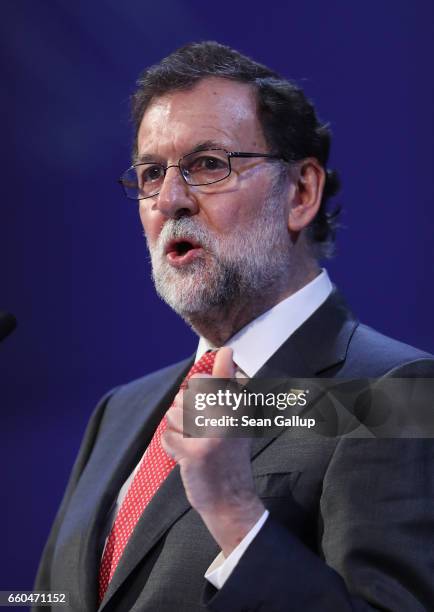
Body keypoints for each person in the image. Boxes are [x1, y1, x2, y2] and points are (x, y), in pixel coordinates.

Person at [34, 42, 434, 611]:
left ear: (300, 193)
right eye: (151, 173)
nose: (170, 199)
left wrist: (236, 517)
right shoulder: (119, 412)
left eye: (207, 164)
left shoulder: (391, 392)